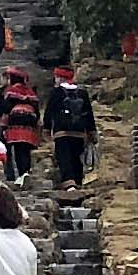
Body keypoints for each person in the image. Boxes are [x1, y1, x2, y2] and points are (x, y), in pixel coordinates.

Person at [45, 62, 96, 190]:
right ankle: (78, 181)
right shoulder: (82, 93)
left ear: (60, 77)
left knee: (64, 157)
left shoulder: (56, 92)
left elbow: (49, 111)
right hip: (79, 132)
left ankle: (69, 182)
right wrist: (91, 131)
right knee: (76, 157)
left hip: (61, 132)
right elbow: (88, 113)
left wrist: (46, 129)